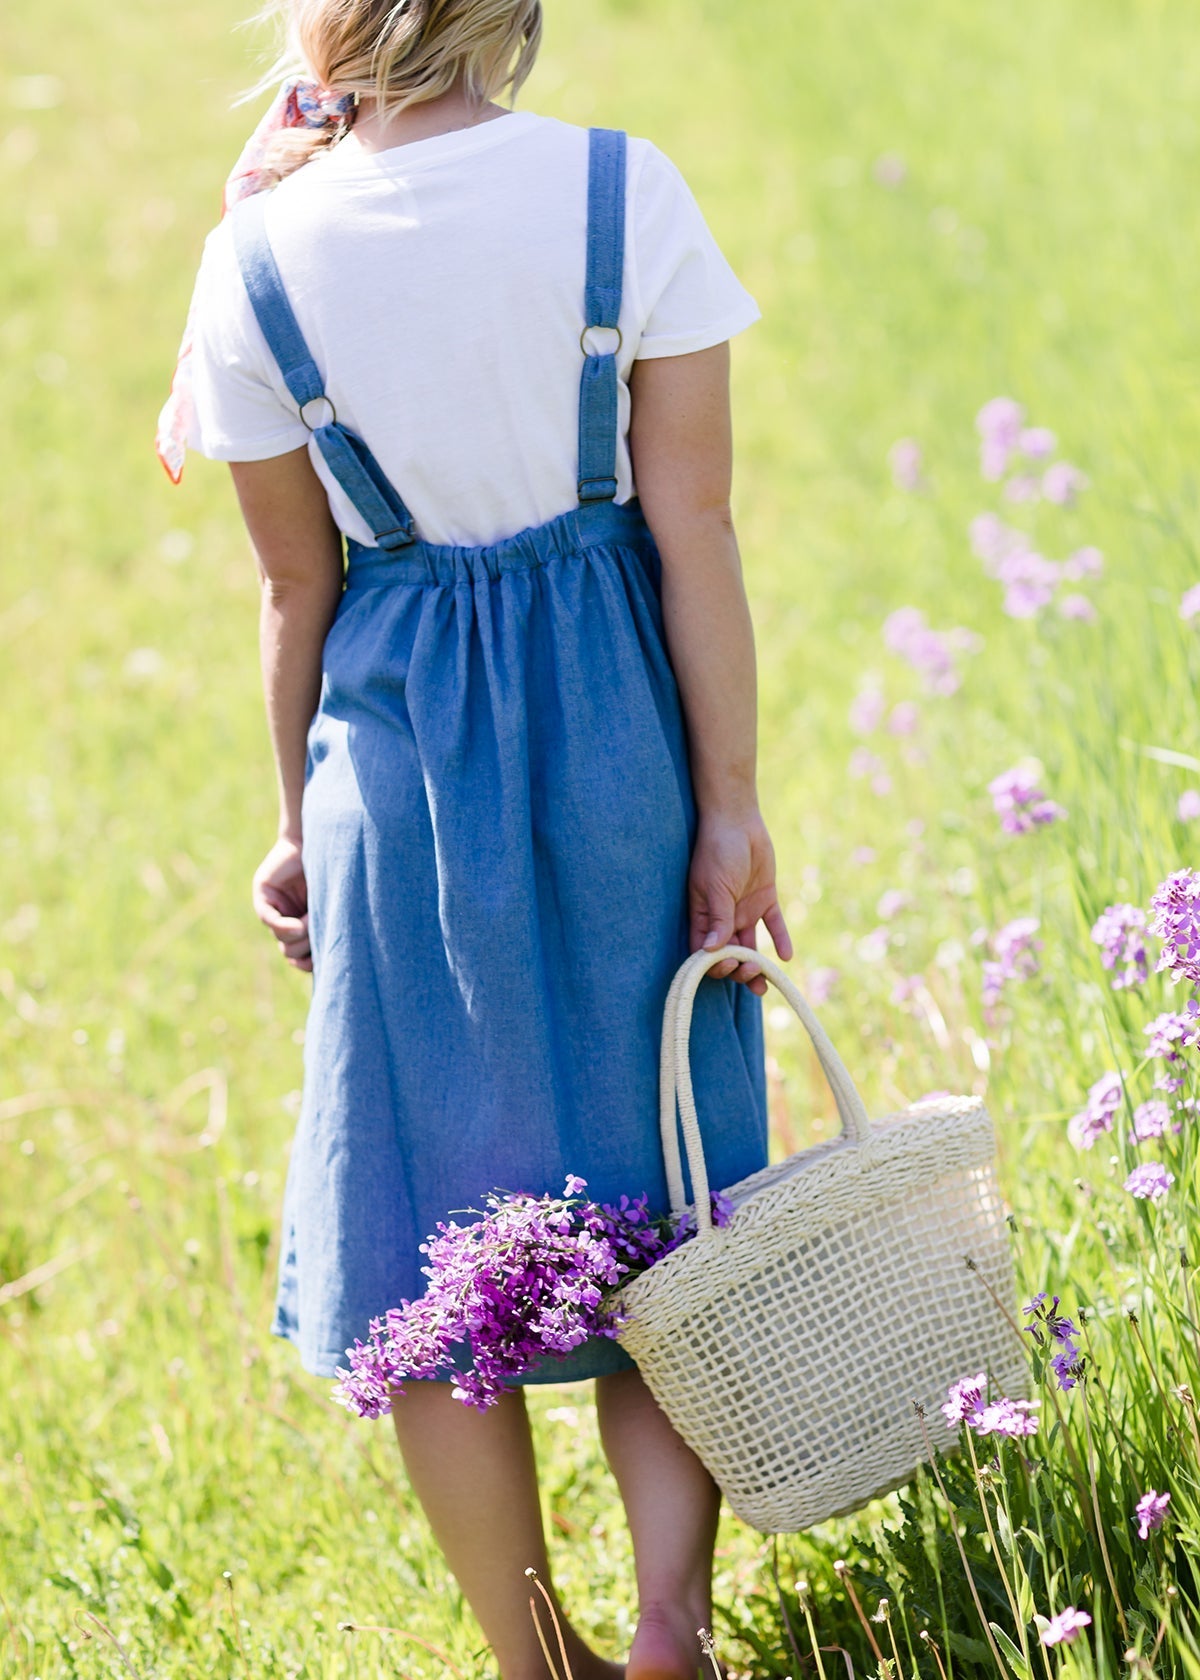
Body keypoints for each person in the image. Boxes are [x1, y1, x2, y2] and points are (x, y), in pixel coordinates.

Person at [162, 2, 792, 1674]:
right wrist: (729, 804)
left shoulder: (261, 258)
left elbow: (296, 589)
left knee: (435, 1215)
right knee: (666, 1184)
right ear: (513, 17)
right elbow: (695, 518)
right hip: (621, 735)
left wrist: (301, 828)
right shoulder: (619, 191)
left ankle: (537, 1662)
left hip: (399, 758)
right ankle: (671, 1627)